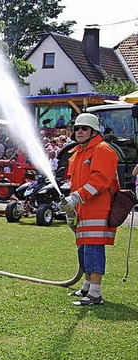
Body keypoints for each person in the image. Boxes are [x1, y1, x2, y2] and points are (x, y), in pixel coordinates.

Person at [60, 113, 119, 306]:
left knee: (93, 249)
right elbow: (76, 182)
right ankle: (86, 287)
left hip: (97, 210)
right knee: (83, 249)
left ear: (94, 131)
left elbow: (100, 181)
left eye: (84, 128)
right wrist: (72, 204)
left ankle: (95, 294)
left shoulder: (103, 150)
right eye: (77, 128)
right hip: (83, 210)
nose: (79, 132)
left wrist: (76, 197)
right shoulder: (78, 153)